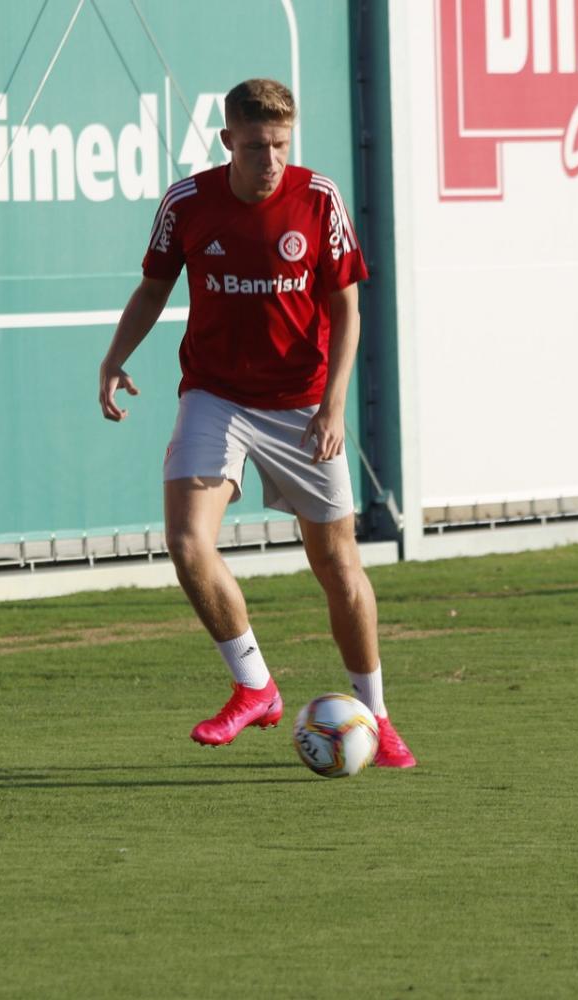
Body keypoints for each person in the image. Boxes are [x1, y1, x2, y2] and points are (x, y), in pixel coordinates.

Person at [97, 78, 416, 768]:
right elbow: (153, 287)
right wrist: (116, 357)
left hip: (302, 404)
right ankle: (254, 685)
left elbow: (347, 309)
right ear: (227, 142)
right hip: (216, 395)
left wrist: (334, 404)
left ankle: (379, 716)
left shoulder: (319, 199)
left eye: (279, 144)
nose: (269, 158)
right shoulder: (188, 203)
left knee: (337, 565)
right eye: (255, 145)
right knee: (187, 543)